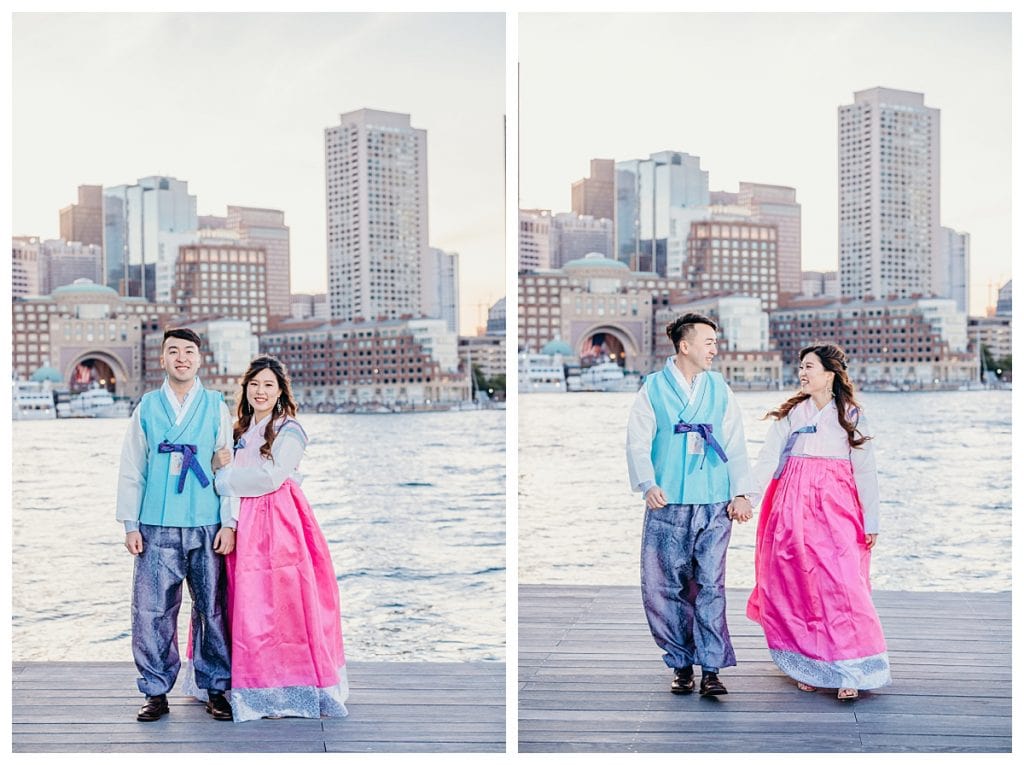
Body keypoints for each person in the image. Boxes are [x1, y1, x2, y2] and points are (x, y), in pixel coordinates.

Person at [745, 344, 891, 701]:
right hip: (792, 508)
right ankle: (807, 664)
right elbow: (767, 460)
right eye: (801, 366)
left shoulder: (851, 415)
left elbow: (865, 470)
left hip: (836, 506)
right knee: (798, 585)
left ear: (829, 373)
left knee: (843, 583)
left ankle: (852, 667)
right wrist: (745, 497)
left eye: (809, 366)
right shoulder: (792, 414)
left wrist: (870, 519)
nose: (802, 373)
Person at [210, 355, 349, 722]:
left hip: (279, 521)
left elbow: (270, 477)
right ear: (246, 389)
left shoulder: (290, 430)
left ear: (280, 391)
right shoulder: (239, 431)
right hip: (243, 520)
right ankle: (253, 685)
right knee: (248, 604)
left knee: (284, 603)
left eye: (268, 385)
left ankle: (290, 686)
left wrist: (222, 477)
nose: (260, 391)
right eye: (254, 384)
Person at [626, 313, 755, 697]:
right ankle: (681, 662)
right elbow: (637, 440)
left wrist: (742, 492)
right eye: (709, 342)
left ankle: (712, 667)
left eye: (716, 342)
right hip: (668, 502)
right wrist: (647, 484)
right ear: (685, 346)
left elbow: (735, 442)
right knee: (663, 586)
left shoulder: (719, 388)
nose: (715, 349)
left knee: (711, 585)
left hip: (715, 501)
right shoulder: (652, 388)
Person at [116, 327, 236, 722]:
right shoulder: (147, 407)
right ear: (163, 359)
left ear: (200, 359)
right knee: (151, 610)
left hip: (206, 521)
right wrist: (131, 524)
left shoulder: (216, 405)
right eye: (173, 351)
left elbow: (227, 468)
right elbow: (132, 468)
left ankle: (216, 687)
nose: (181, 357)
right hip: (155, 523)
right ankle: (155, 690)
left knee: (212, 608)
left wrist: (229, 522)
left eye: (189, 351)